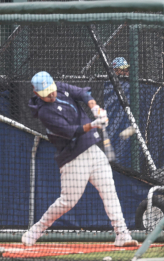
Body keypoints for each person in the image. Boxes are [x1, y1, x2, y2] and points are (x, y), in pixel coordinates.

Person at [23, 72, 137, 247]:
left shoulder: (60, 87)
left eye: (51, 90)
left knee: (109, 191)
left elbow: (83, 93)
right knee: (67, 202)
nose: (52, 95)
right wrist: (93, 124)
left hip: (92, 149)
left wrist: (95, 108)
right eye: (46, 94)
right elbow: (70, 132)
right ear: (37, 93)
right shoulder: (45, 113)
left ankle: (122, 234)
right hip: (73, 157)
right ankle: (35, 231)